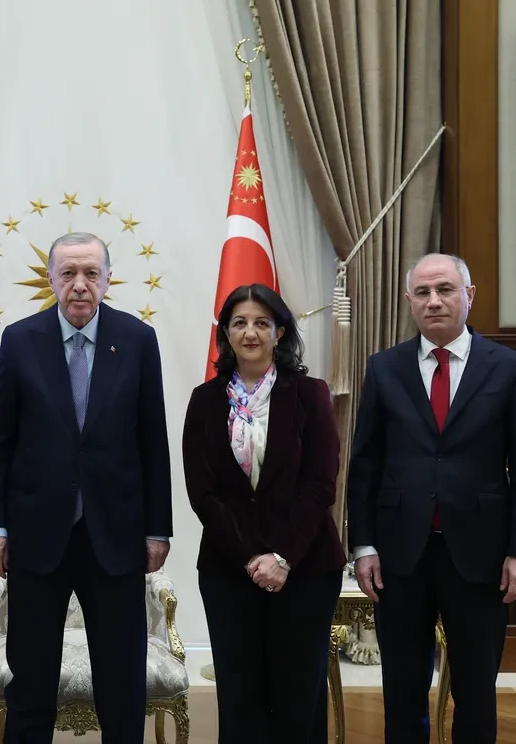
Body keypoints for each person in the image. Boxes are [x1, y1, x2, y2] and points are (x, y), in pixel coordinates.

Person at [347, 253, 516, 744]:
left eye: (445, 290)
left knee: (477, 688)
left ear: (468, 296)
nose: (434, 301)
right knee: (402, 686)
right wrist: (363, 545)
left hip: (480, 555)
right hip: (399, 554)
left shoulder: (509, 369)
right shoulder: (384, 368)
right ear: (410, 302)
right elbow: (365, 465)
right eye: (423, 293)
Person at [0, 231, 173, 744]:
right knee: (31, 686)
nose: (80, 285)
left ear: (108, 280)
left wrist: (158, 530)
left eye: (91, 273)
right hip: (36, 538)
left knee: (122, 683)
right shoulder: (20, 340)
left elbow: (154, 441)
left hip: (116, 537)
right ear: (51, 280)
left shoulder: (137, 340)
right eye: (69, 274)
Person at [182, 283, 344, 743]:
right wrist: (252, 559)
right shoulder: (205, 399)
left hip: (306, 569)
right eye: (239, 323)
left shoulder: (310, 394)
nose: (249, 332)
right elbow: (203, 491)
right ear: (226, 335)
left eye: (260, 323)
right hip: (229, 572)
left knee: (298, 694)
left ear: (279, 332)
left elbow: (320, 484)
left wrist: (283, 557)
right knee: (239, 694)